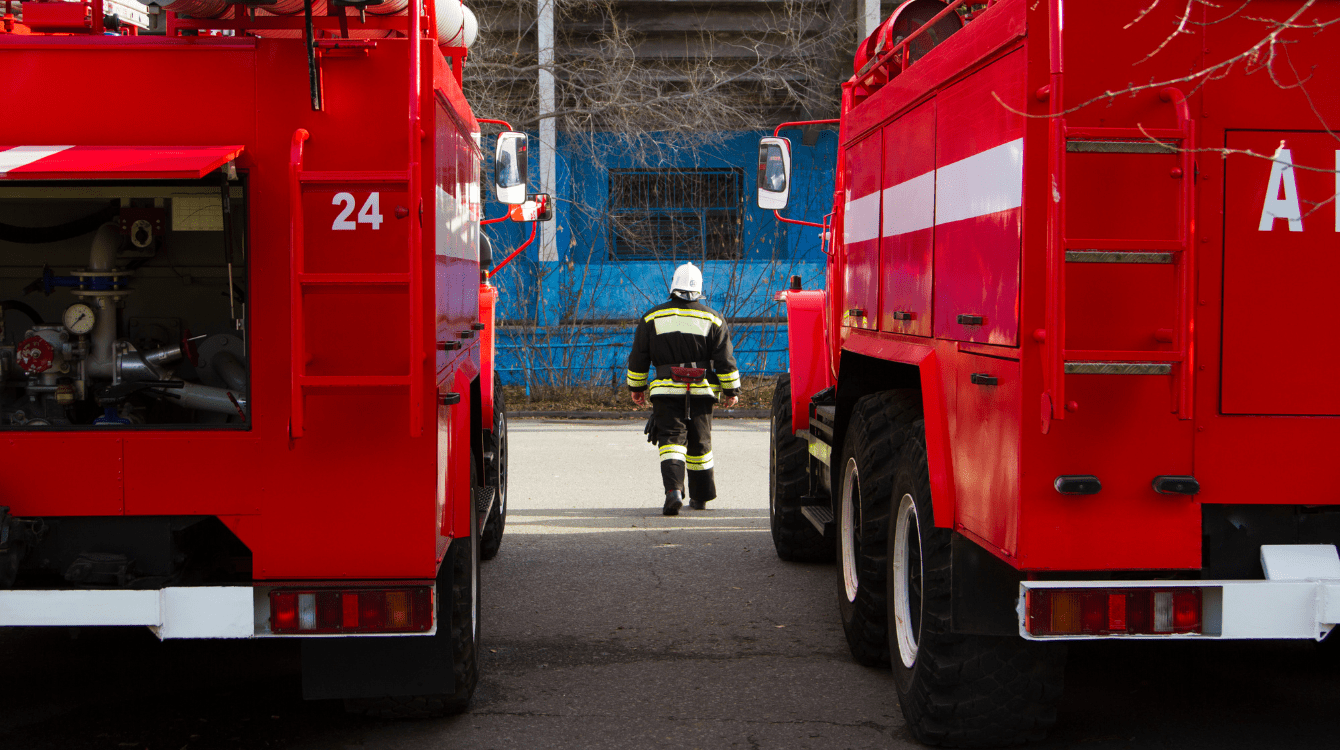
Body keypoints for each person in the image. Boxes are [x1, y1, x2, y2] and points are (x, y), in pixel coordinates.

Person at [626, 262, 741, 516]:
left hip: (665, 392)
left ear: (673, 287)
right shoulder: (713, 318)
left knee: (670, 441)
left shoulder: (651, 317)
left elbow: (638, 357)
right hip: (701, 392)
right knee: (700, 443)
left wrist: (637, 387)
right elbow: (724, 359)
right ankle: (700, 498)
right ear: (699, 290)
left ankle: (674, 492)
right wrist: (731, 390)